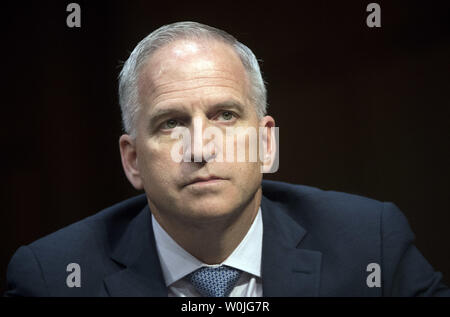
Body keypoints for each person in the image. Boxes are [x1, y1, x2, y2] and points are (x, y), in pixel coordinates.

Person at [5, 21, 449, 297]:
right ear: (133, 160)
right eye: (171, 123)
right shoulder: (53, 278)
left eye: (226, 115)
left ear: (266, 144)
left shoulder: (370, 244)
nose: (201, 146)